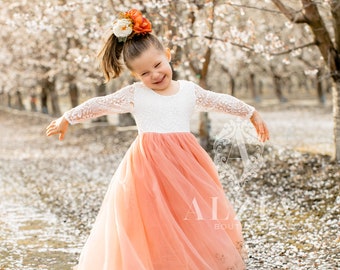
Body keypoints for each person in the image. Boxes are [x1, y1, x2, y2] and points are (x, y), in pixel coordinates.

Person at [46, 9, 269, 270]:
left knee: (191, 217)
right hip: (147, 170)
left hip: (186, 167)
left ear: (168, 55)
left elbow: (218, 100)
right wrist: (68, 118)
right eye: (144, 73)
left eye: (157, 65)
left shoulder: (188, 91)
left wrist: (250, 113)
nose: (154, 75)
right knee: (151, 221)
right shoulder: (136, 94)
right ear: (135, 77)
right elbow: (101, 104)